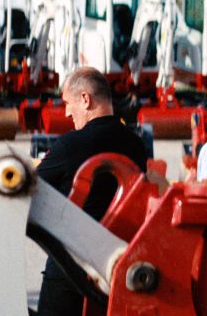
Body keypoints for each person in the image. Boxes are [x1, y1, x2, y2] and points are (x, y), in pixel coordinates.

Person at [36, 67, 148, 316]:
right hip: (118, 270)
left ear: (85, 99)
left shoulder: (69, 146)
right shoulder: (137, 146)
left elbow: (28, 189)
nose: (66, 112)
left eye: (68, 103)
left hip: (68, 271)